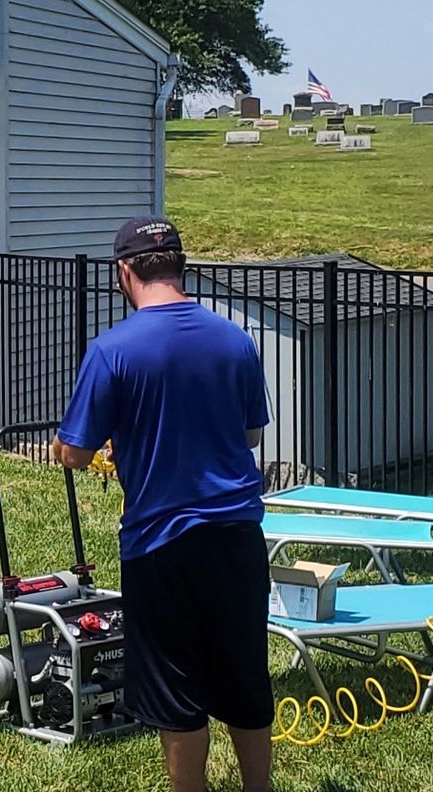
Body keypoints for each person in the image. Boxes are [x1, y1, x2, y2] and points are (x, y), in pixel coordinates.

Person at [55, 216, 272, 792]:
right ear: (180, 265)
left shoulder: (113, 350)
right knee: (246, 677)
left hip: (161, 542)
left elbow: (73, 452)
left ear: (125, 271)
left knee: (177, 690)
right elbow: (250, 436)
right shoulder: (235, 340)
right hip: (238, 537)